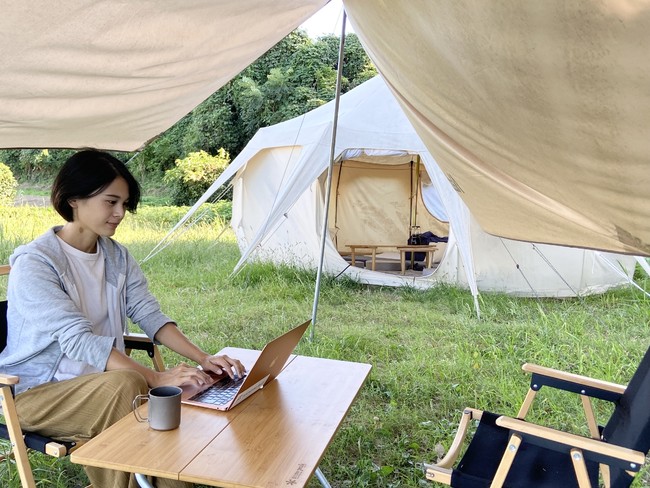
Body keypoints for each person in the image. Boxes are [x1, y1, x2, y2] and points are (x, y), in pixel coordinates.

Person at [0, 149, 245, 488]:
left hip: (105, 386)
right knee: (131, 385)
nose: (119, 214)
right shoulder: (36, 264)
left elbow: (149, 313)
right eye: (110, 202)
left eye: (124, 205)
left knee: (162, 394)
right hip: (34, 396)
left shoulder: (115, 255)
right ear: (73, 199)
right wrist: (154, 378)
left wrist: (204, 359)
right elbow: (78, 339)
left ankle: (173, 481)